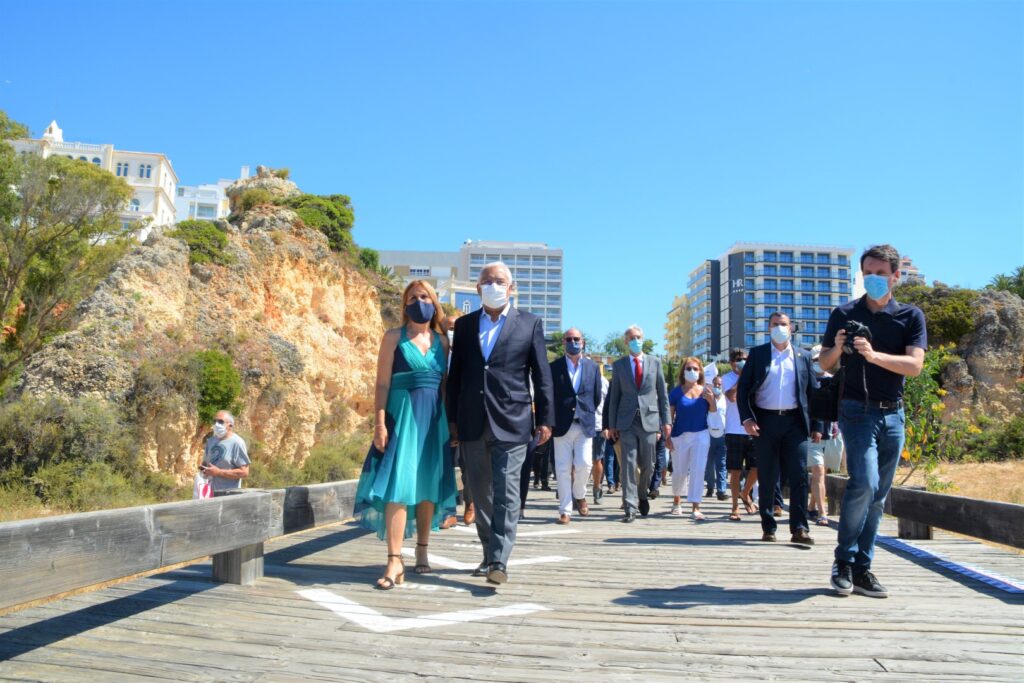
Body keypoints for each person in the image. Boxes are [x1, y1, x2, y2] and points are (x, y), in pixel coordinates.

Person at [820, 244, 926, 598]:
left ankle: (864, 567)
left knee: (879, 495)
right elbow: (823, 364)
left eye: (882, 274)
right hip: (855, 409)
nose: (875, 279)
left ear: (896, 276)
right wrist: (837, 347)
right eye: (869, 273)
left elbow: (914, 366)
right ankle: (844, 561)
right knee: (862, 482)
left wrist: (873, 354)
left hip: (893, 411)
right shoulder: (844, 312)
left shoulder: (910, 316)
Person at [447, 262, 554, 585]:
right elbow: (456, 378)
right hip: (471, 420)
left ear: (511, 288)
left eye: (500, 280)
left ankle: (499, 560)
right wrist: (452, 419)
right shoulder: (465, 326)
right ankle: (488, 551)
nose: (493, 285)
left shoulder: (530, 323)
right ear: (478, 288)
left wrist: (546, 418)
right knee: (480, 493)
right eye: (487, 281)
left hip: (513, 420)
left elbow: (542, 374)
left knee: (507, 492)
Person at [353, 280, 458, 590]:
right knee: (399, 485)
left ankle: (422, 551)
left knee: (427, 485)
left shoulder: (442, 342)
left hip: (434, 421)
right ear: (404, 304)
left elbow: (445, 386)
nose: (418, 301)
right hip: (402, 418)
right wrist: (379, 424)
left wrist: (451, 424)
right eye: (412, 297)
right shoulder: (392, 338)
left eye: (424, 296)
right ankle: (394, 558)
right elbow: (382, 384)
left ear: (434, 302)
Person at [737, 312, 821, 545]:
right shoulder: (758, 354)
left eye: (783, 324)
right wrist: (747, 419)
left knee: (800, 475)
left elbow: (813, 393)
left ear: (791, 328)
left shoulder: (802, 356)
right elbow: (743, 390)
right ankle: (768, 526)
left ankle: (800, 528)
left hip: (795, 422)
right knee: (767, 474)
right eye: (775, 324)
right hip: (765, 422)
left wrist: (817, 424)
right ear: (768, 327)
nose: (779, 328)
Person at [606, 325, 671, 523]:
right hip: (626, 421)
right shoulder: (619, 365)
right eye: (632, 338)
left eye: (639, 337)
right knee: (628, 463)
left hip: (650, 420)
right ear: (626, 342)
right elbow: (614, 397)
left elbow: (663, 395)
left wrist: (666, 421)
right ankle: (630, 506)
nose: (636, 340)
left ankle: (642, 493)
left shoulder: (655, 362)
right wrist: (612, 424)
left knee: (649, 464)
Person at [550, 328, 603, 524]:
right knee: (562, 469)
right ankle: (565, 510)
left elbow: (596, 396)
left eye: (576, 339)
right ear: (563, 343)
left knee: (584, 464)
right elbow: (549, 396)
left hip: (584, 423)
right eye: (569, 339)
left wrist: (586, 411)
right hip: (561, 424)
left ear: (583, 342)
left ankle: (580, 495)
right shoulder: (554, 367)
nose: (573, 342)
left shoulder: (592, 367)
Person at [667, 357, 723, 519]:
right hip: (679, 436)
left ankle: (695, 506)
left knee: (698, 470)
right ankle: (677, 501)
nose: (692, 372)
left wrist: (711, 400)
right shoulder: (676, 392)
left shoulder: (706, 390)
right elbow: (670, 418)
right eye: (688, 369)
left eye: (695, 369)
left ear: (700, 372)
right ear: (683, 372)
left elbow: (713, 413)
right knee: (679, 471)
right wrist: (667, 436)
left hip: (701, 434)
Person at [805, 345, 841, 527]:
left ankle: (812, 505)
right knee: (818, 471)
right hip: (812, 435)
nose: (819, 363)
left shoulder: (835, 380)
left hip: (832, 434)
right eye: (815, 360)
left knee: (823, 473)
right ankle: (822, 512)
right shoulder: (805, 382)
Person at [445, 311, 474, 526]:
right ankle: (447, 511)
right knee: (444, 465)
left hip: (466, 417)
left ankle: (470, 504)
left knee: (468, 465)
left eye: (455, 328)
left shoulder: (469, 354)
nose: (451, 332)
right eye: (448, 328)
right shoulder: (437, 353)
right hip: (440, 418)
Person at [722, 348, 757, 520]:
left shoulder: (755, 376)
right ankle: (735, 507)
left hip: (753, 428)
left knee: (757, 467)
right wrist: (742, 378)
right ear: (731, 362)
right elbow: (731, 396)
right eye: (737, 359)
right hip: (733, 430)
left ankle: (745, 492)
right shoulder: (727, 378)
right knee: (735, 471)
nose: (741, 361)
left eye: (744, 358)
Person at [201, 410, 250, 491]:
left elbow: (244, 472)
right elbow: (205, 463)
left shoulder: (237, 443)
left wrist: (219, 472)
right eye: (215, 421)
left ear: (230, 425)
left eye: (220, 422)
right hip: (208, 494)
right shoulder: (211, 441)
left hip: (228, 496)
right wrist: (204, 469)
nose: (216, 424)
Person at [704, 374, 729, 500]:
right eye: (715, 384)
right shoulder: (706, 399)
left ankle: (721, 490)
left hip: (723, 435)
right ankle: (710, 486)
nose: (717, 386)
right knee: (708, 464)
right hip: (708, 435)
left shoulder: (726, 400)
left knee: (721, 464)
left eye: (719, 384)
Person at [591, 370, 610, 505]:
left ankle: (597, 488)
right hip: (579, 425)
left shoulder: (603, 381)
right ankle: (573, 490)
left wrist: (607, 425)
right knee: (576, 462)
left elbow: (608, 404)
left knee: (596, 459)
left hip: (598, 425)